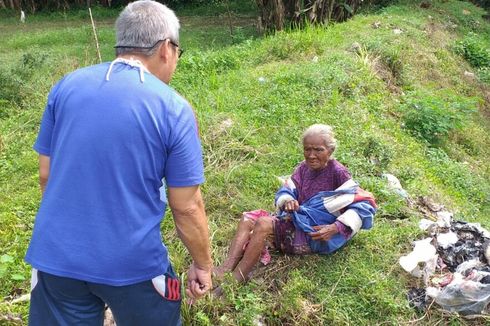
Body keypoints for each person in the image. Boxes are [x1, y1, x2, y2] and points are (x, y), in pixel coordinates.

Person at [25, 1, 212, 325]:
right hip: (134, 266)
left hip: (55, 259)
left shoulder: (66, 87)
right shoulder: (173, 108)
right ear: (166, 49)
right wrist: (203, 264)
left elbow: (46, 176)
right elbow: (187, 206)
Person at [214, 124, 377, 282]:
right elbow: (287, 189)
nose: (311, 155)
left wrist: (335, 228)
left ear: (330, 151)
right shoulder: (303, 168)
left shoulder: (338, 172)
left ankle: (236, 279)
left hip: (315, 235)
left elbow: (364, 205)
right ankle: (226, 268)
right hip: (298, 221)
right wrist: (288, 200)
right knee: (247, 219)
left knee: (263, 224)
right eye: (308, 149)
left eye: (319, 150)